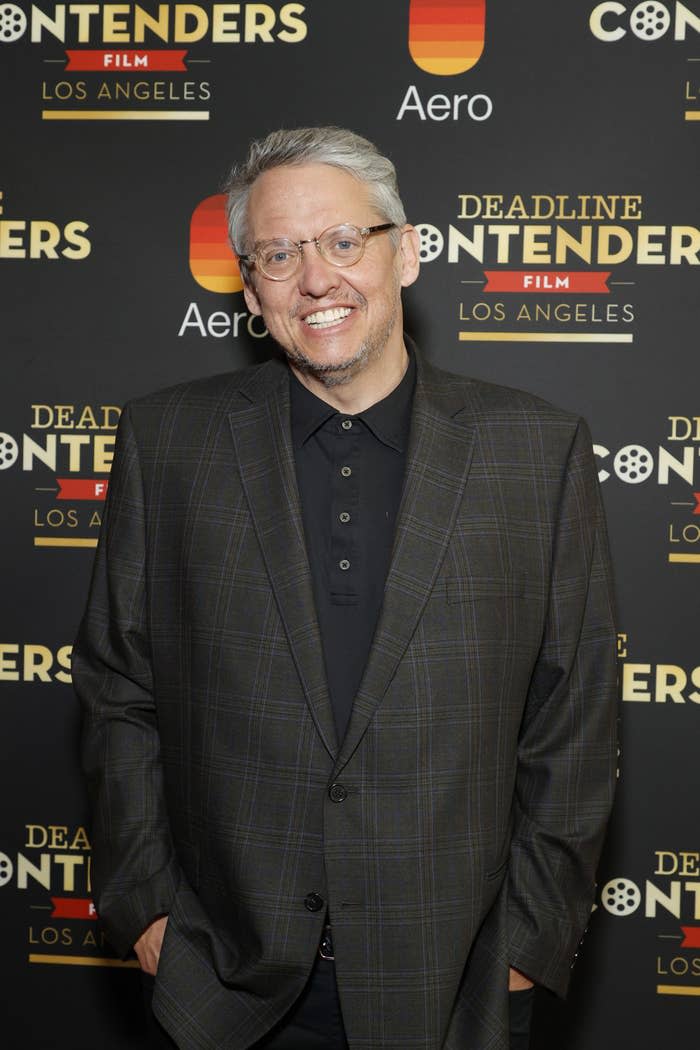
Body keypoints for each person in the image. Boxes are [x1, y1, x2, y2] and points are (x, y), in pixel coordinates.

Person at [73, 126, 618, 1050]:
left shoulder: (538, 450)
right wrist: (148, 913)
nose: (315, 280)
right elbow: (117, 686)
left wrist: (527, 948)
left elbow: (573, 721)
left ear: (405, 251)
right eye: (278, 255)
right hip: (224, 986)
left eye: (342, 241)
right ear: (250, 289)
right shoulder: (169, 443)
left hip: (454, 987)